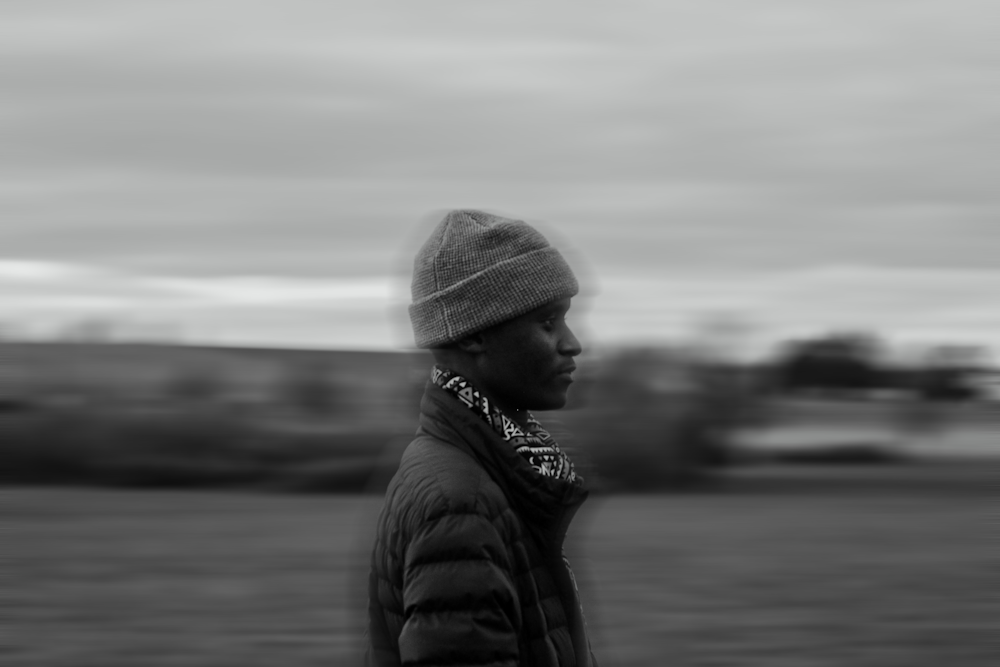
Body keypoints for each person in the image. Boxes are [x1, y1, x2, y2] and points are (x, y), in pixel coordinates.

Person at [365, 209, 596, 666]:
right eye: (548, 322)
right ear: (473, 336)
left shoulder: (486, 470)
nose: (572, 343)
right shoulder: (460, 504)